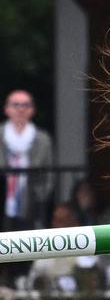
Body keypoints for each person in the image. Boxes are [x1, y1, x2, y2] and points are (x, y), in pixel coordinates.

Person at [1, 89, 55, 286]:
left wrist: (42, 196)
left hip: (31, 203)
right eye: (16, 105)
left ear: (32, 110)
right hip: (4, 201)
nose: (21, 109)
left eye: (25, 105)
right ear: (7, 109)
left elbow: (49, 173)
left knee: (28, 246)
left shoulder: (42, 139)